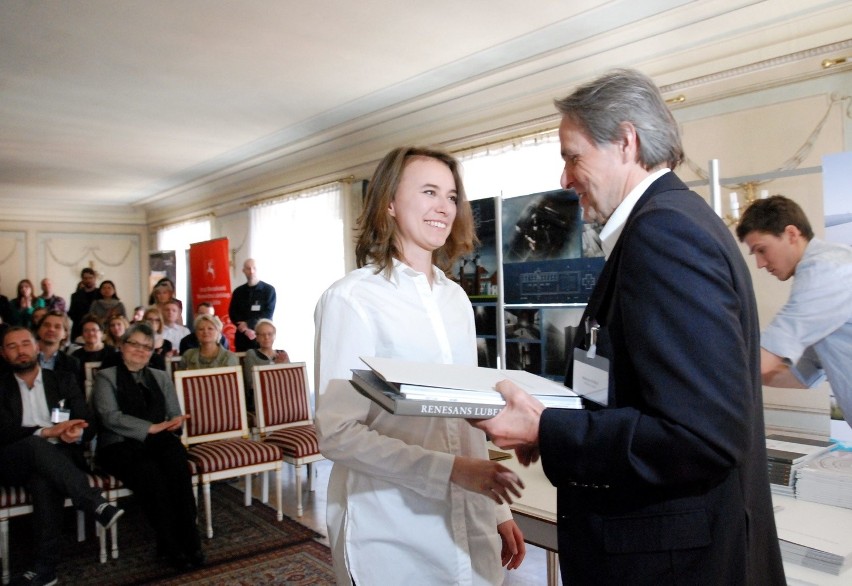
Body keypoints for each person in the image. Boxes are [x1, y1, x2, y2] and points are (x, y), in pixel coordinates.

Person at [474, 69, 784, 585]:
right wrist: (554, 428)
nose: (565, 179)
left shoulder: (663, 233)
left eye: (573, 156)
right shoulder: (674, 221)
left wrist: (546, 428)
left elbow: (699, 436)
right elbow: (643, 397)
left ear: (625, 141)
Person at [314, 146, 525, 585]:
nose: (444, 207)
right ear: (389, 203)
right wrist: (452, 471)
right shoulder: (352, 299)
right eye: (429, 191)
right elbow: (337, 434)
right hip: (390, 530)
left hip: (468, 519)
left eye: (451, 196)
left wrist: (496, 507)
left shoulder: (456, 300)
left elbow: (468, 416)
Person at [0, 326, 123, 586]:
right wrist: (46, 432)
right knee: (34, 444)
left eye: (25, 343)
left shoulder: (63, 380)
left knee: (43, 479)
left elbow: (88, 422)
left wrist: (75, 433)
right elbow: (3, 432)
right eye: (12, 346)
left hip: (58, 459)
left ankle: (45, 571)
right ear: (3, 353)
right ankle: (92, 501)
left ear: (36, 347)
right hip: (13, 459)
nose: (20, 350)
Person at [92, 323, 203, 571]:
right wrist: (149, 428)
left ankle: (190, 539)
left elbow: (174, 413)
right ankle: (170, 544)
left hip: (159, 439)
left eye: (147, 347)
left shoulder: (161, 376)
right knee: (152, 477)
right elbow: (110, 417)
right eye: (135, 345)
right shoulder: (105, 377)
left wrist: (174, 424)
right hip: (118, 445)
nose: (141, 351)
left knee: (178, 467)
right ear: (122, 346)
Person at [736, 195, 852, 428]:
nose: (760, 263)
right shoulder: (829, 267)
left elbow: (764, 361)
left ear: (791, 234)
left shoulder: (824, 271)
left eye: (762, 250)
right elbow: (802, 375)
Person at [241, 318, 289, 411]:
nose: (266, 337)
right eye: (262, 334)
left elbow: (288, 381)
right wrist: (274, 365)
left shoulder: (282, 353)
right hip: (262, 401)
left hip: (283, 398)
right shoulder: (251, 354)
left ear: (274, 336)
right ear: (257, 337)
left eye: (270, 334)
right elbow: (252, 383)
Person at [228, 259, 276, 352]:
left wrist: (248, 324)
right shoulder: (238, 292)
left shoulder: (269, 290)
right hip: (242, 338)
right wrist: (245, 329)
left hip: (263, 337)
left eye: (254, 268)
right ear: (243, 271)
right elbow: (233, 313)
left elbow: (268, 314)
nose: (251, 271)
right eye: (248, 268)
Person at [36, 311, 82, 384]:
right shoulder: (26, 358)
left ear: (65, 334)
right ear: (38, 330)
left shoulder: (71, 363)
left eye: (57, 327)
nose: (51, 329)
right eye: (46, 325)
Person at [68, 268, 101, 341]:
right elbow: (71, 313)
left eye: (90, 278)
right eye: (85, 278)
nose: (88, 280)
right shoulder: (75, 296)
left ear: (95, 278)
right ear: (82, 279)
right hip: (79, 329)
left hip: (97, 328)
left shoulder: (101, 293)